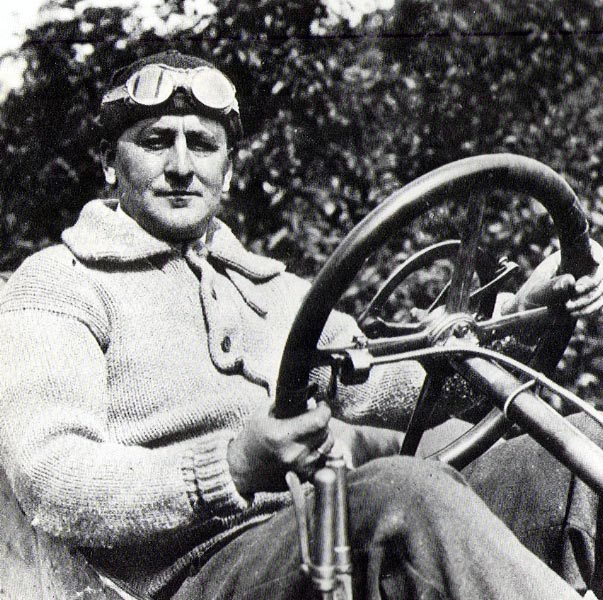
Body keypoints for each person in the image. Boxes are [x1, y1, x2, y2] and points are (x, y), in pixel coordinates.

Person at [0, 50, 602, 600]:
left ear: (227, 172)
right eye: (156, 141)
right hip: (195, 576)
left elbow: (405, 386)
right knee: (403, 493)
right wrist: (231, 465)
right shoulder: (63, 282)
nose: (181, 166)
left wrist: (524, 314)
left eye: (202, 144)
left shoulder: (273, 291)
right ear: (110, 163)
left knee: (572, 450)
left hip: (322, 536)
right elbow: (52, 476)